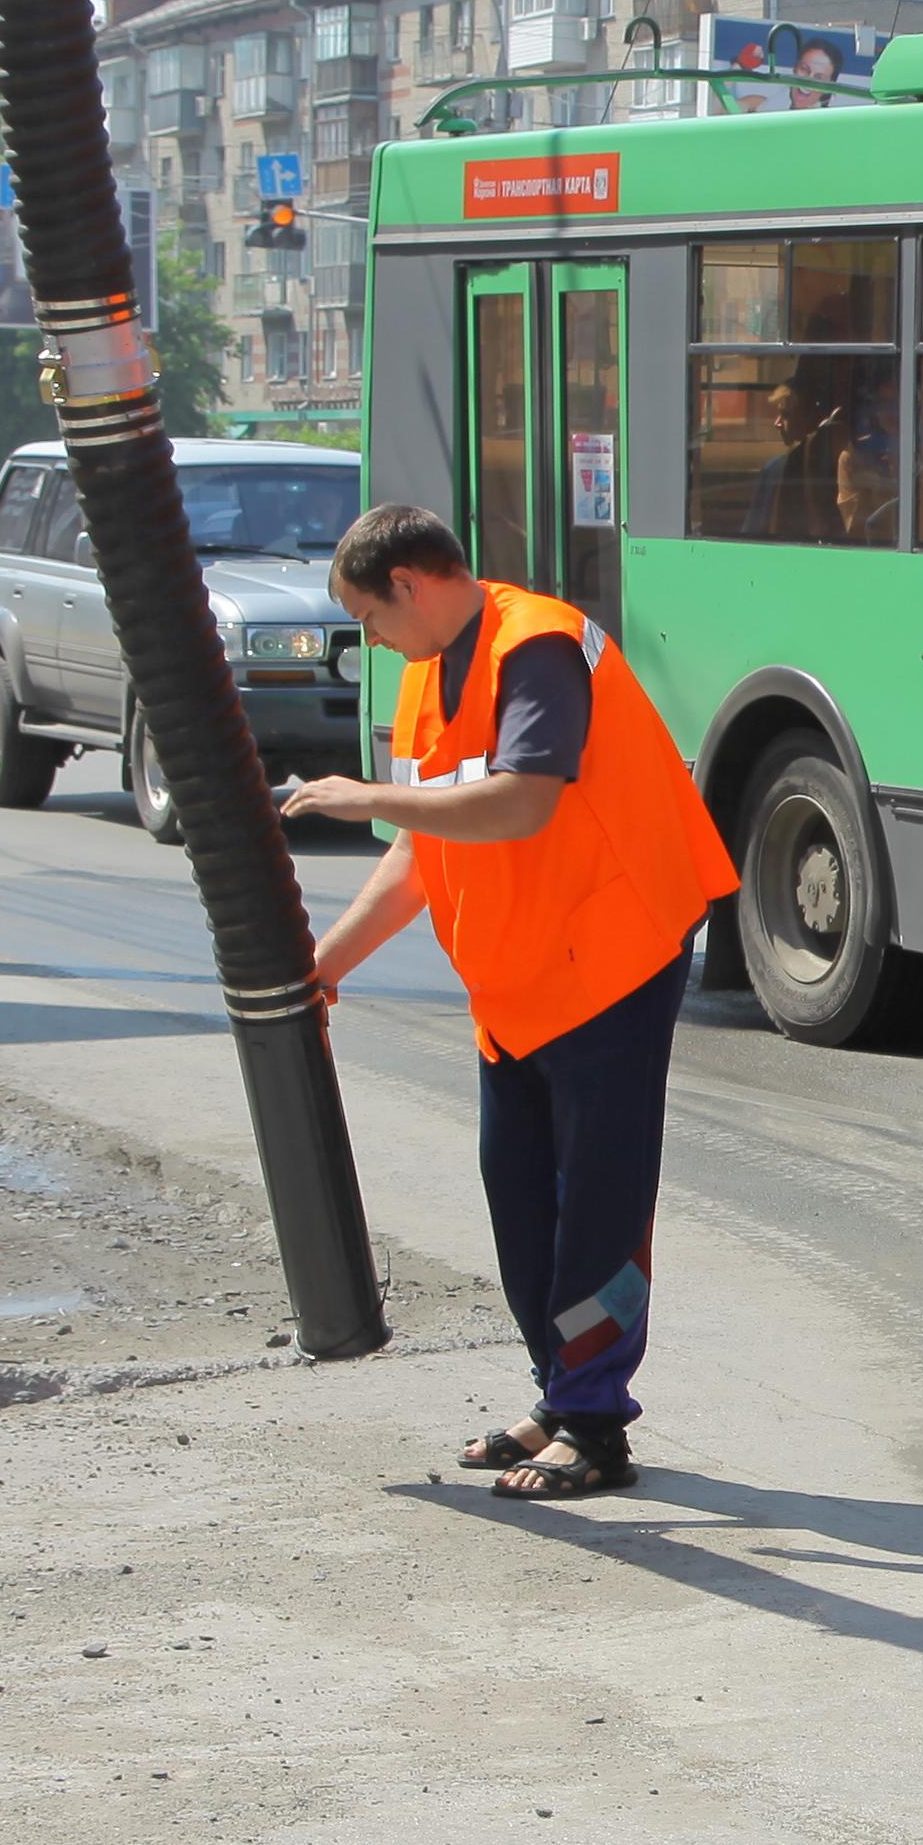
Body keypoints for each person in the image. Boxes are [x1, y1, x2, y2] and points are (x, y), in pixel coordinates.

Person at [284, 503, 740, 1501]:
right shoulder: (423, 678)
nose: (373, 640)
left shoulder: (537, 644)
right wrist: (328, 964)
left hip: (608, 965)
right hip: (520, 987)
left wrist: (364, 797)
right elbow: (420, 855)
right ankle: (559, 1393)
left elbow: (525, 798)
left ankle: (594, 1420)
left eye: (369, 616)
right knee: (521, 1197)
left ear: (409, 584)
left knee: (599, 1207)